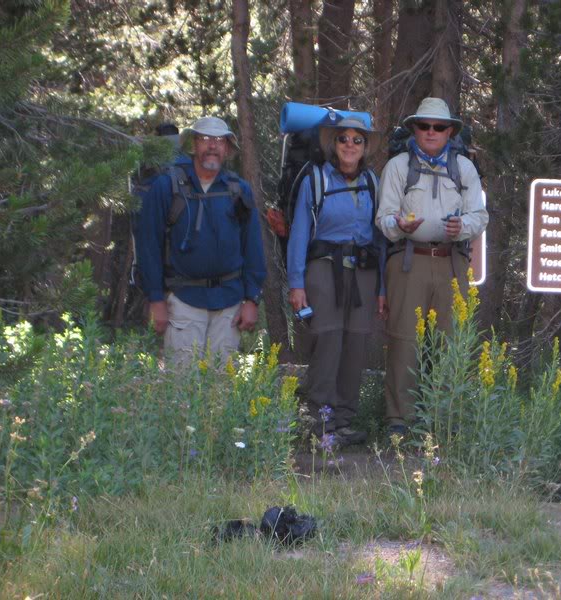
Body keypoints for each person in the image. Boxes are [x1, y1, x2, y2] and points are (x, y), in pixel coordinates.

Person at [376, 97, 489, 436]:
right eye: (424, 126)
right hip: (409, 260)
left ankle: (442, 418)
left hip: (451, 262)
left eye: (438, 127)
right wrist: (400, 226)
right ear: (414, 128)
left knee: (449, 340)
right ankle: (400, 420)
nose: (430, 132)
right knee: (404, 340)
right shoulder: (398, 166)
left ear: (450, 131)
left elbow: (479, 216)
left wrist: (462, 228)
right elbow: (383, 218)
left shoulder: (464, 168)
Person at [135, 116, 267, 367]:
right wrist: (156, 299)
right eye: (205, 139)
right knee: (182, 389)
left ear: (227, 149)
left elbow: (252, 247)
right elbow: (148, 246)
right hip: (183, 299)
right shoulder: (167, 187)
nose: (212, 146)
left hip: (229, 302)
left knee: (221, 388)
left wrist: (252, 299)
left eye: (219, 140)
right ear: (193, 145)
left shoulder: (238, 190)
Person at [287, 115, 386, 447]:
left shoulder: (372, 181)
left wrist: (383, 289)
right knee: (327, 342)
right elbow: (299, 234)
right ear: (333, 143)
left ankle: (343, 421)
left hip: (363, 273)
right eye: (343, 139)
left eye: (357, 140)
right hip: (324, 270)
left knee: (355, 347)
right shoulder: (315, 180)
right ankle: (317, 422)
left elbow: (381, 240)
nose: (349, 145)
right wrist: (296, 284)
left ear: (365, 146)